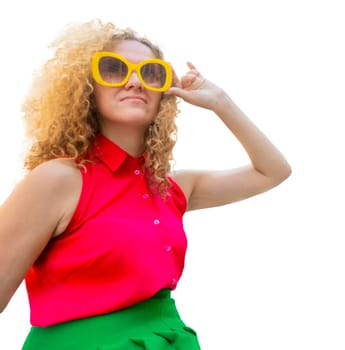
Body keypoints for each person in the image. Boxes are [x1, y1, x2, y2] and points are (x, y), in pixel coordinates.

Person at [0, 19, 291, 349]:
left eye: (152, 73)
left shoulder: (170, 188)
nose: (135, 81)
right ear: (85, 86)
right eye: (114, 69)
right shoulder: (59, 180)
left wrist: (220, 102)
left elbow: (273, 171)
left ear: (164, 92)